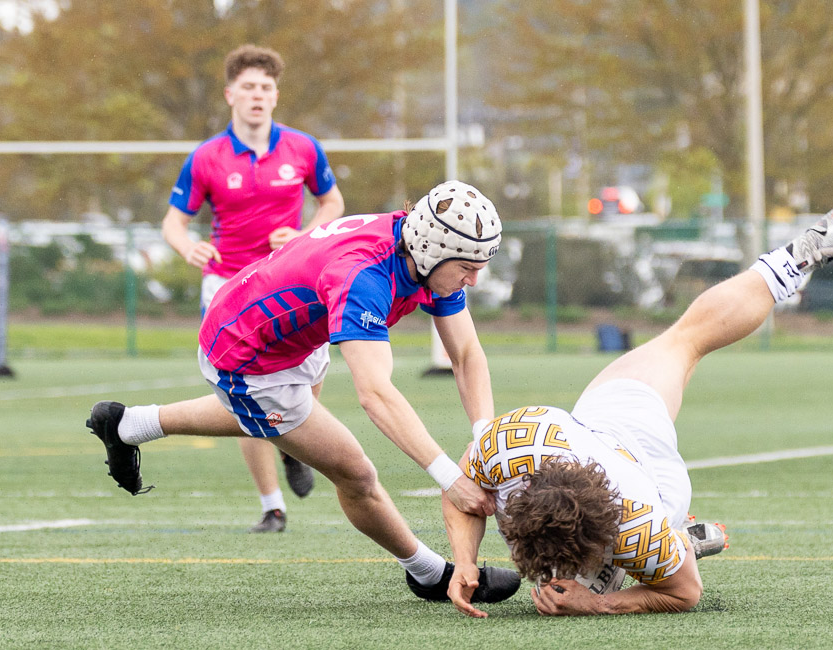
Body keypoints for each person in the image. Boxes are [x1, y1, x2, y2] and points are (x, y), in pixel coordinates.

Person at [443, 191, 833, 617]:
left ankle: (801, 254)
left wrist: (600, 604)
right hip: (602, 428)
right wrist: (464, 560)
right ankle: (674, 545)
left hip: (655, 477)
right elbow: (459, 491)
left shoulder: (636, 523)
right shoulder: (515, 441)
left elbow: (685, 593)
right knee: (682, 340)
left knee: (687, 340)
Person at [88, 180, 521, 604]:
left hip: (298, 329)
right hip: (246, 352)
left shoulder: (419, 247)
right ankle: (429, 574)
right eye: (468, 268)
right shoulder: (364, 278)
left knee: (286, 422)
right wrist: (451, 480)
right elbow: (375, 394)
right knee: (355, 473)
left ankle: (128, 424)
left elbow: (465, 354)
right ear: (431, 252)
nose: (475, 281)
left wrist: (485, 441)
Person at [161, 44, 347, 532]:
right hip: (228, 289)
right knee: (241, 396)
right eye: (248, 87)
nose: (257, 95)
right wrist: (187, 248)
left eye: (265, 87)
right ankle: (271, 507)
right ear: (230, 95)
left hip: (291, 282)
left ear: (276, 95)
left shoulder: (302, 148)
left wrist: (306, 234)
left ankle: (295, 451)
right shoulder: (206, 157)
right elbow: (173, 223)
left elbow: (333, 203)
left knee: (305, 385)